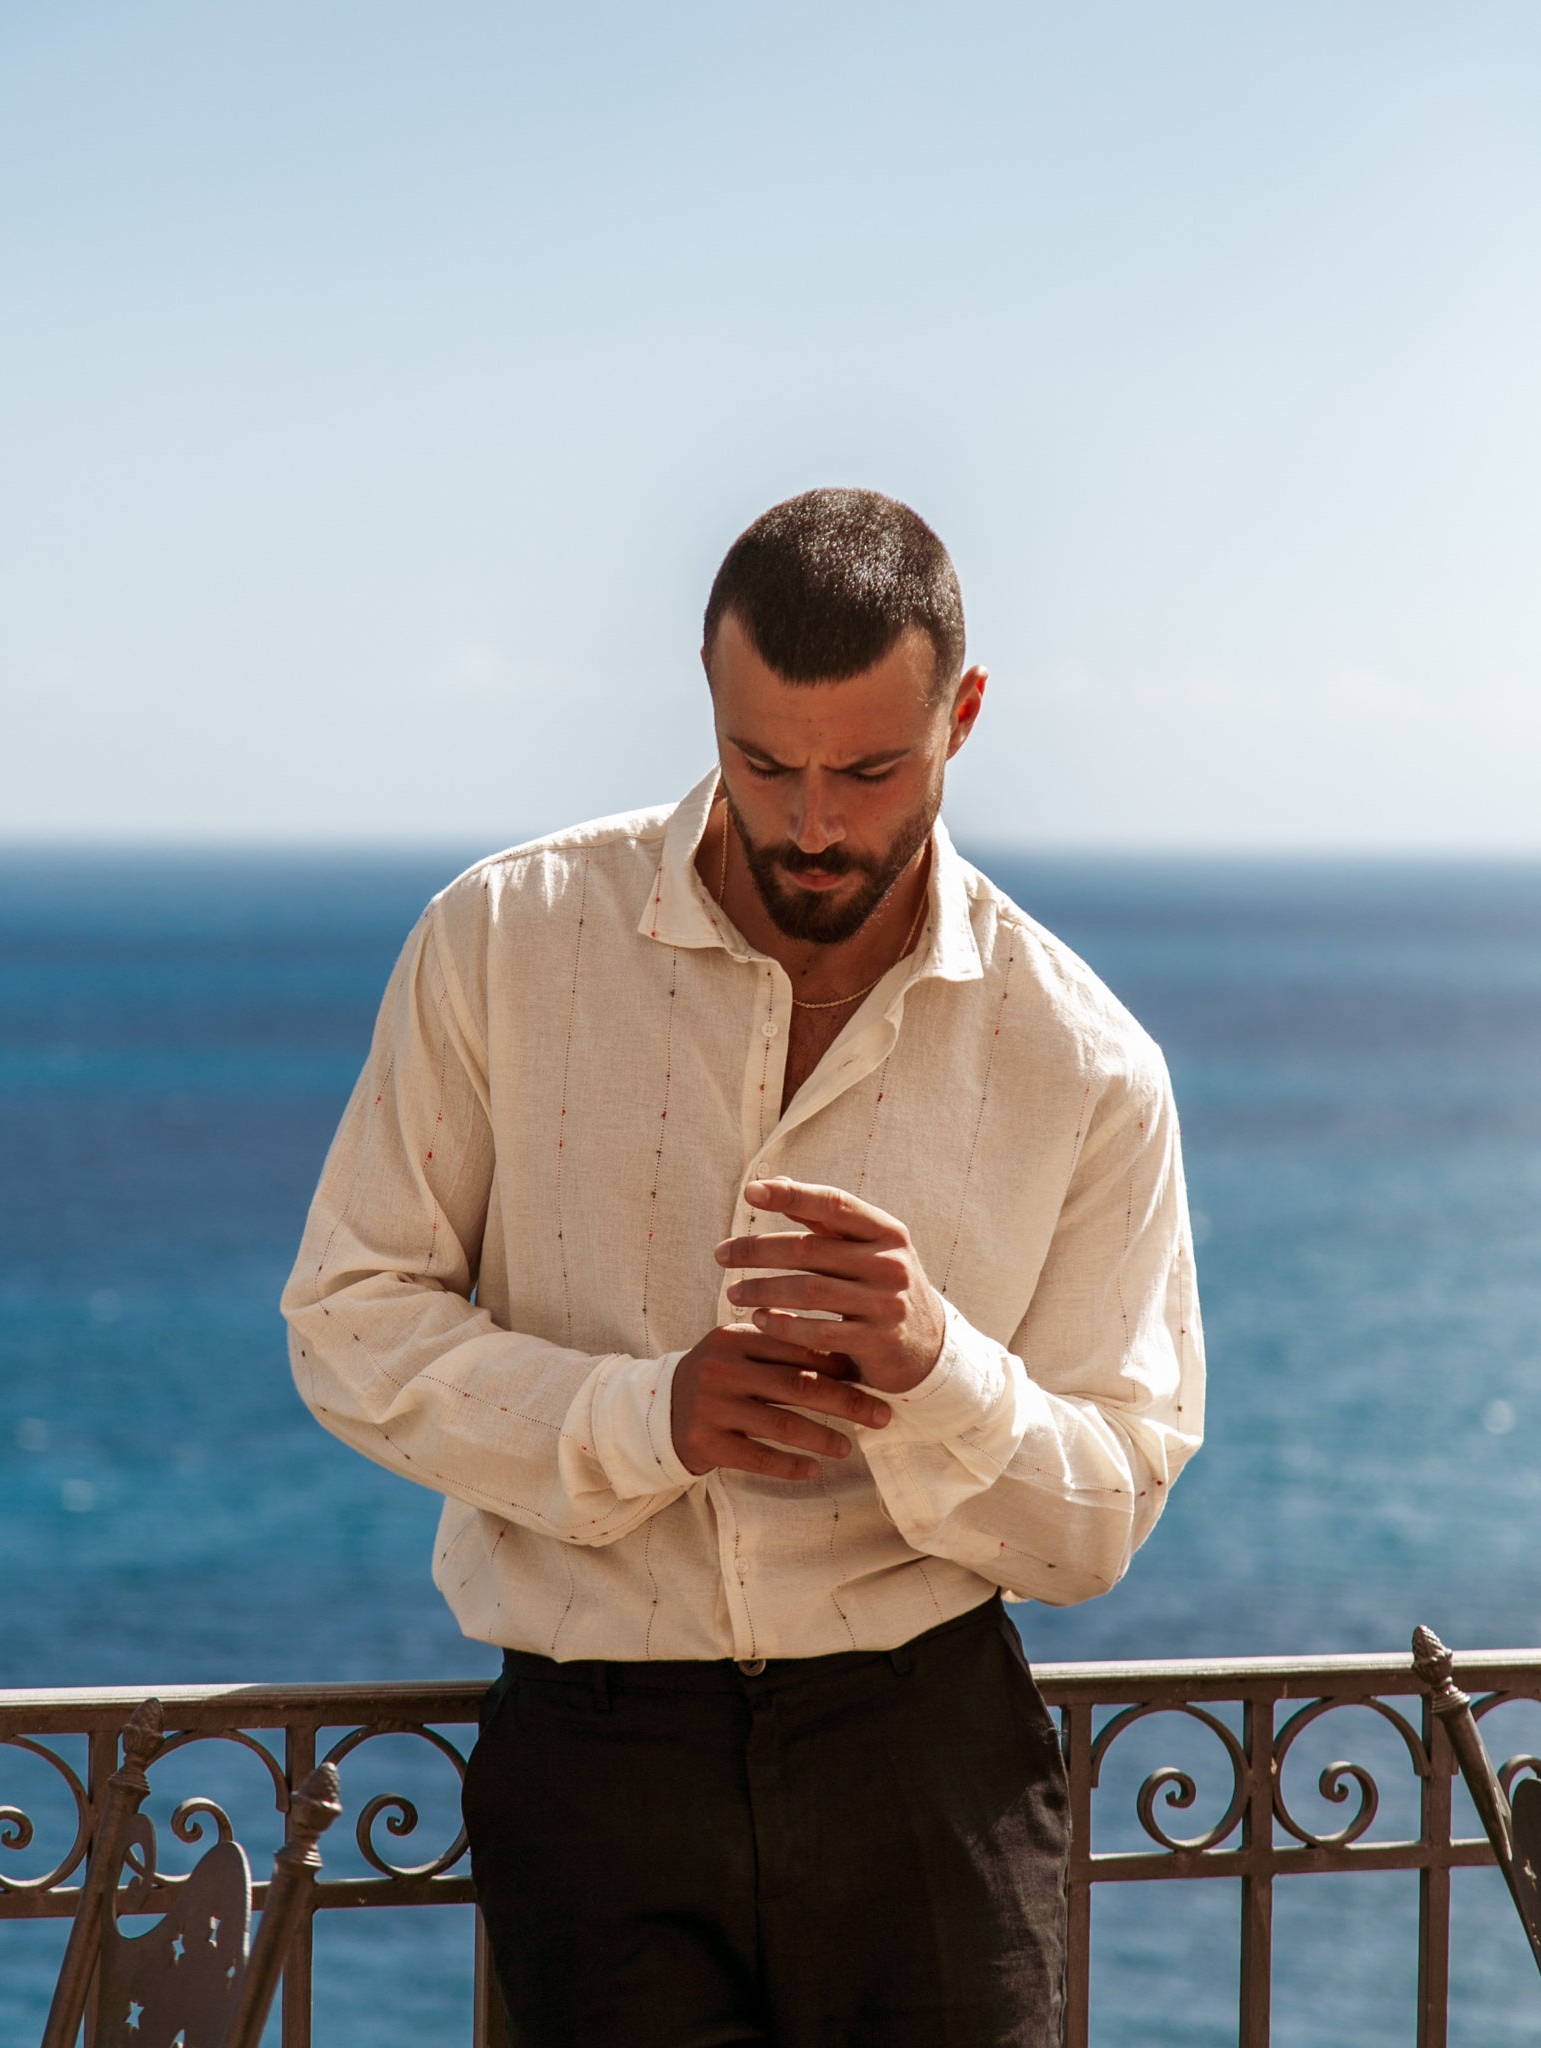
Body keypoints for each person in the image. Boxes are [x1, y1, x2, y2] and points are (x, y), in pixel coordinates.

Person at [283, 487, 1205, 2047]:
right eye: (762, 761)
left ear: (962, 715)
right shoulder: (500, 941)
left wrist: (938, 1372)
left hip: (927, 1757)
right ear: (707, 702)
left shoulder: (1086, 1062)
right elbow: (347, 1326)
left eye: (866, 768)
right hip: (593, 1757)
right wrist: (651, 1419)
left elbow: (1101, 1517)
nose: (811, 822)